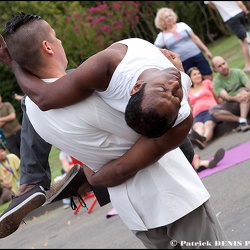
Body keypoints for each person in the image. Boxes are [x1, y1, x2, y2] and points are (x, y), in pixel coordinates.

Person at [0, 13, 228, 248]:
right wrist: (178, 75)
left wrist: (14, 62)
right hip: (173, 194)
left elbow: (44, 97)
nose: (61, 43)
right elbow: (160, 132)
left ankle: (32, 181)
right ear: (47, 47)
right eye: (56, 38)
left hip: (134, 212)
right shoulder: (99, 91)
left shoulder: (32, 111)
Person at [154, 7, 213, 81]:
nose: (169, 18)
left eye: (170, 15)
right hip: (183, 62)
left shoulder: (182, 25)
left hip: (197, 55)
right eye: (166, 17)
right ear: (162, 21)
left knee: (208, 77)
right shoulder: (162, 36)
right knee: (192, 83)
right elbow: (155, 50)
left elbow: (195, 38)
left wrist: (206, 50)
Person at [204, 1, 250, 72]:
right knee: (243, 39)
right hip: (240, 12)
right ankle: (248, 64)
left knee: (245, 40)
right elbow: (239, 2)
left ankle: (248, 65)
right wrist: (244, 8)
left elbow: (212, 6)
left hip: (230, 17)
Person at [210, 55, 250, 132]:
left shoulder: (238, 72)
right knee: (213, 111)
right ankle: (242, 120)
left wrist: (248, 94)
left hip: (246, 100)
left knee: (242, 91)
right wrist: (236, 98)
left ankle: (243, 122)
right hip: (233, 104)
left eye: (223, 63)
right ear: (215, 69)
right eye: (219, 66)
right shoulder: (216, 81)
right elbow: (225, 96)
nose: (223, 67)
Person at [187, 66, 222, 148]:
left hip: (211, 110)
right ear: (190, 78)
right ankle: (198, 140)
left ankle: (203, 141)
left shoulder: (207, 83)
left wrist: (222, 106)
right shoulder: (188, 92)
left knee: (208, 124)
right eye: (194, 74)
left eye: (199, 73)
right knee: (199, 126)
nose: (198, 75)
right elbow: (190, 107)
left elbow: (217, 97)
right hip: (198, 114)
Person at [0, 93, 21, 157]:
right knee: (16, 158)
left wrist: (1, 119)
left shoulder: (7, 105)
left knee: (29, 153)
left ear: (0, 97)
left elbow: (13, 116)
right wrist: (8, 118)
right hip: (9, 137)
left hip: (19, 132)